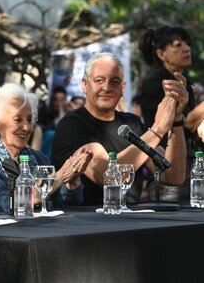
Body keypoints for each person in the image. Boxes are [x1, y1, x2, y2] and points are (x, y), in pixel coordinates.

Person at [52, 52, 187, 205]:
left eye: (114, 81)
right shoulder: (72, 124)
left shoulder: (132, 122)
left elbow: (173, 176)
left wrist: (176, 120)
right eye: (99, 80)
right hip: (88, 223)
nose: (107, 87)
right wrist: (157, 130)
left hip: (132, 220)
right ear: (84, 84)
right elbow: (106, 175)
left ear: (123, 88)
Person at [0, 83, 93, 215]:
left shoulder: (39, 159)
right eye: (18, 119)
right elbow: (3, 205)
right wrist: (58, 178)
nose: (26, 127)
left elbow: (60, 207)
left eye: (29, 120)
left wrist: (72, 183)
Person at [139, 25, 202, 201]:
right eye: (178, 44)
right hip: (168, 169)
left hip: (189, 165)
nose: (186, 48)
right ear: (161, 54)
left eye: (187, 44)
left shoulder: (183, 82)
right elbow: (183, 122)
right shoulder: (157, 83)